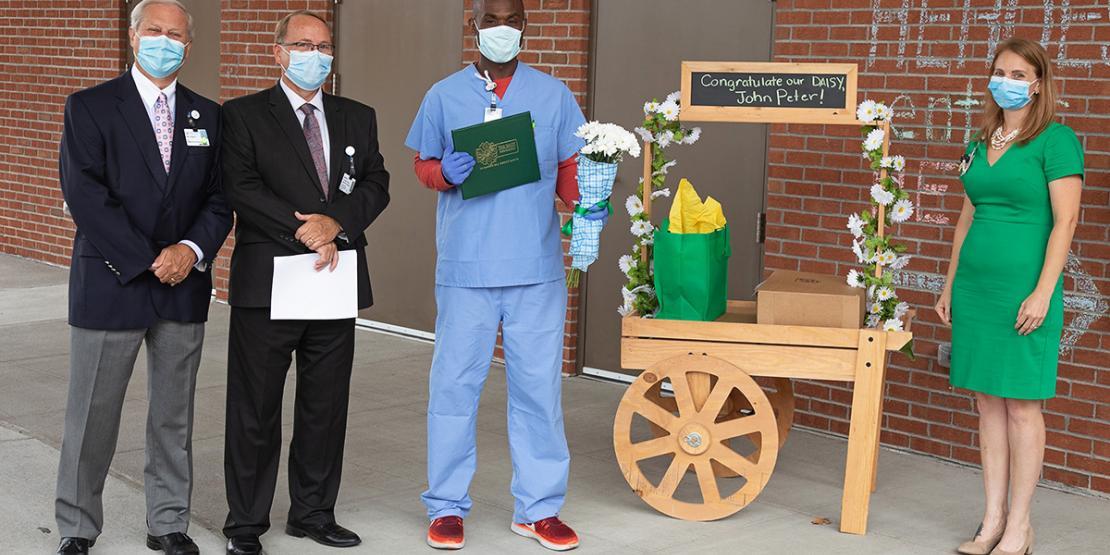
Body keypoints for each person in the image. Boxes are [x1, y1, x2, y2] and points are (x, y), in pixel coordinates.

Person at [405, 0, 591, 551]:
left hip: (535, 269)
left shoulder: (553, 95)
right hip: (466, 267)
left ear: (526, 27)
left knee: (538, 390)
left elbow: (568, 167)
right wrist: (444, 173)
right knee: (454, 388)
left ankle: (539, 508)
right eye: (492, 20)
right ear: (474, 26)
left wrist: (588, 202)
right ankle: (445, 505)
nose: (502, 29)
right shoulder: (444, 94)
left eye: (512, 20)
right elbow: (422, 164)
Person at [54, 1, 232, 553]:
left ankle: (168, 522)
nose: (164, 41)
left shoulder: (210, 115)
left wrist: (189, 250)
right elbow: (85, 194)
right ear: (133, 38)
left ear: (189, 45)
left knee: (173, 417)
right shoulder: (90, 107)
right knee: (92, 417)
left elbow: (221, 197)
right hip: (113, 281)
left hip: (184, 286)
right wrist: (147, 259)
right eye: (153, 30)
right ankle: (78, 528)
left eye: (175, 34)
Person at [219, 10, 389, 555]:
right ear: (278, 52)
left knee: (325, 405)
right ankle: (246, 522)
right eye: (301, 44)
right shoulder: (242, 115)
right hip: (270, 281)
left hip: (334, 281)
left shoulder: (357, 116)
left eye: (322, 45)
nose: (314, 54)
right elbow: (239, 186)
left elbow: (375, 180)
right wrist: (308, 231)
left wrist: (337, 223)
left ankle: (313, 512)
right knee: (256, 407)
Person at [935, 37, 1083, 555]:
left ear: (1038, 83)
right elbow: (967, 214)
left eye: (1019, 74)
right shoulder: (979, 142)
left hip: (1024, 290)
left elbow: (1065, 221)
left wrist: (1044, 291)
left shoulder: (1056, 140)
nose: (1008, 81)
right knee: (986, 404)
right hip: (976, 289)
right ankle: (992, 518)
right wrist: (950, 282)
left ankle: (1020, 525)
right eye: (1001, 71)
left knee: (1022, 406)